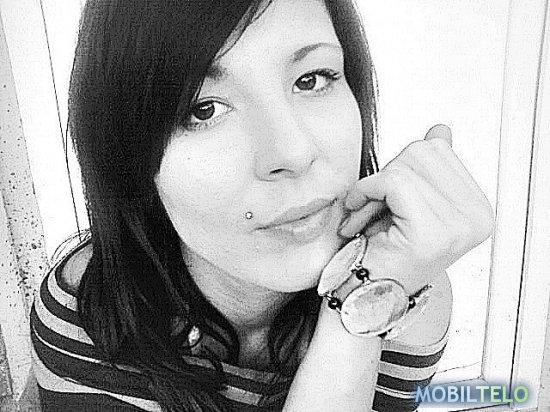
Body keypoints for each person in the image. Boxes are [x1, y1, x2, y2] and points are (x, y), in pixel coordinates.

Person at [29, 0, 494, 410]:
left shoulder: (405, 286)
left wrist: (363, 302)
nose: (293, 151)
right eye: (203, 109)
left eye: (312, 79)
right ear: (129, 156)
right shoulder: (88, 313)